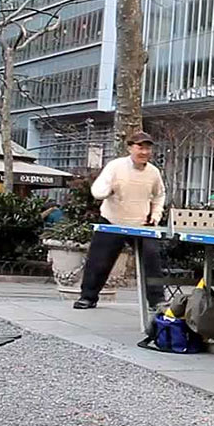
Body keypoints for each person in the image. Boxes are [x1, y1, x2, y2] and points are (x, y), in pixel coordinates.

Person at [73, 131, 166, 310]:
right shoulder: (115, 166)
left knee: (152, 258)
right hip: (112, 220)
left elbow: (159, 195)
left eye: (148, 148)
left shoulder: (154, 172)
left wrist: (155, 216)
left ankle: (157, 301)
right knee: (99, 260)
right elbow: (99, 188)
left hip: (141, 224)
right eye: (140, 147)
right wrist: (104, 192)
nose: (144, 152)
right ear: (130, 148)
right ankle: (88, 297)